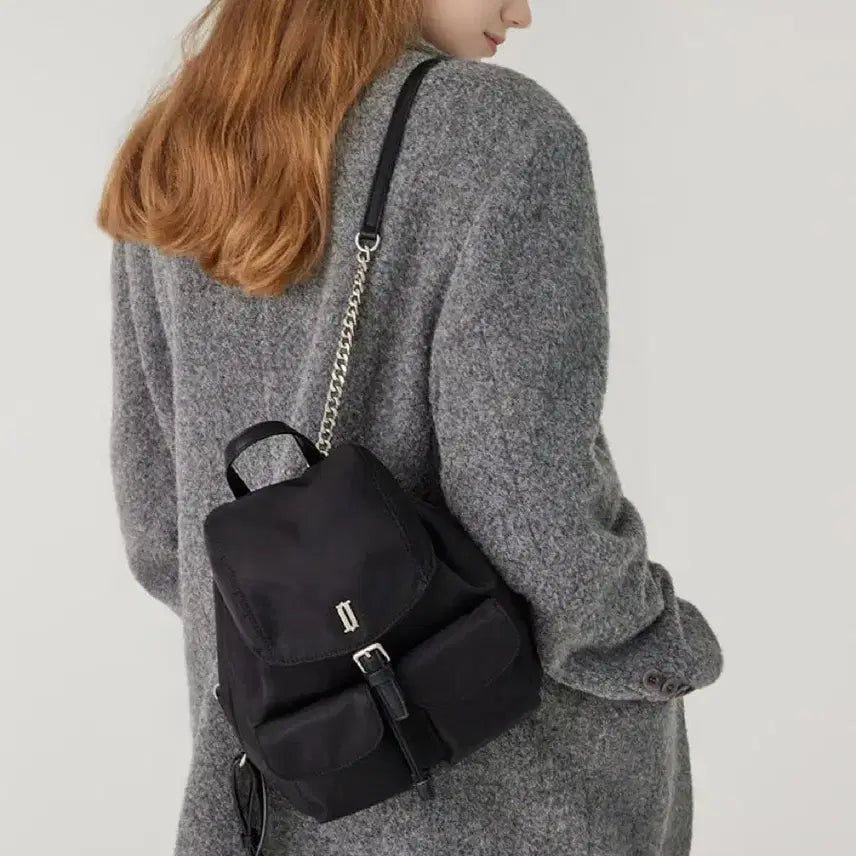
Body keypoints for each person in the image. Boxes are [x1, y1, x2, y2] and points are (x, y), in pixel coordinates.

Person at [97, 1, 724, 854]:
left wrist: (313, 647)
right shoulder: (498, 134)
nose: (522, 12)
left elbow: (159, 533)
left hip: (291, 783)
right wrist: (652, 647)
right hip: (508, 786)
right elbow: (532, 509)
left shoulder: (174, 149)